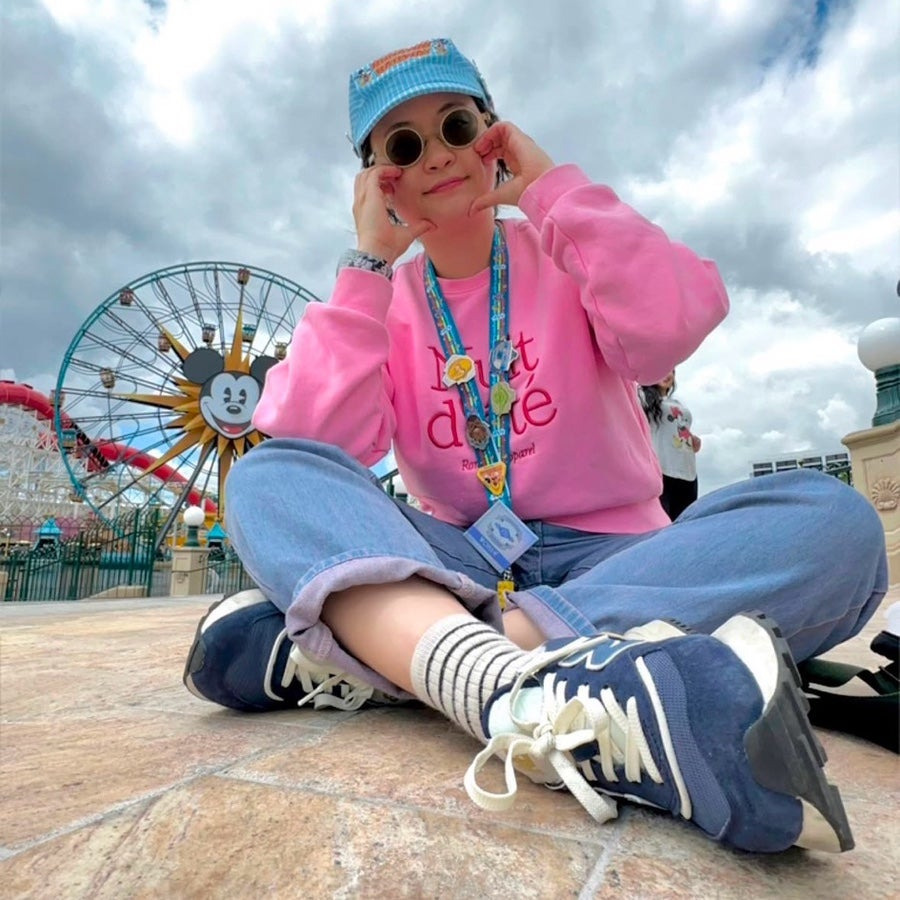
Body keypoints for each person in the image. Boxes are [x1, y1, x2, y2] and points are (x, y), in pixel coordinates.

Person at [182, 38, 888, 854]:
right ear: (377, 179)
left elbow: (673, 323)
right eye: (403, 146)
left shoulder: (564, 247)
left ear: (495, 133)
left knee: (837, 526)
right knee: (268, 474)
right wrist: (366, 265)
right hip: (459, 562)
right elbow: (315, 442)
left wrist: (555, 191)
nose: (436, 156)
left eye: (456, 126)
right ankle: (535, 678)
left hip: (615, 555)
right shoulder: (381, 299)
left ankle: (412, 652)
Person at [640, 369, 700, 520]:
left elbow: (677, 430)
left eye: (671, 371)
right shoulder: (642, 398)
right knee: (664, 523)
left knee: (687, 522)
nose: (667, 375)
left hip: (688, 471)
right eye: (662, 369)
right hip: (663, 470)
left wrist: (694, 439)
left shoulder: (677, 403)